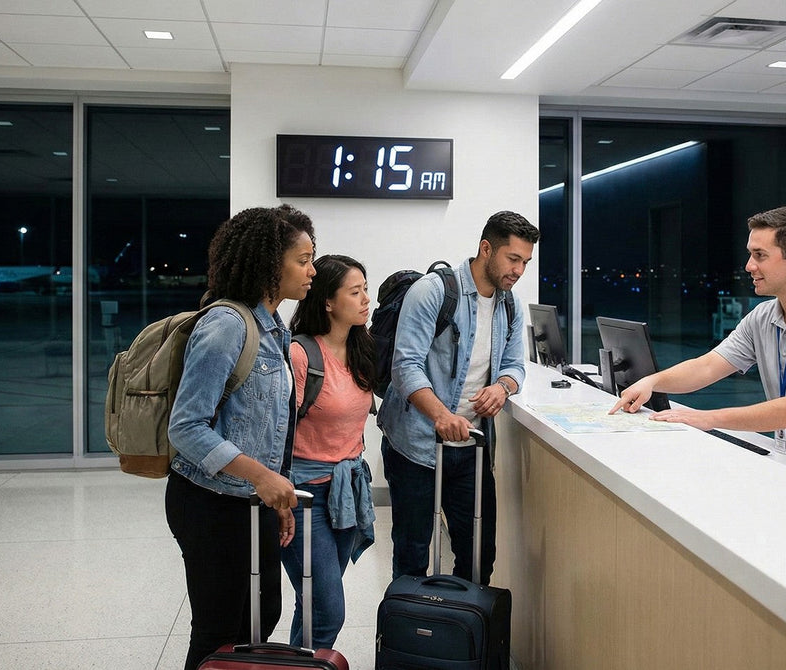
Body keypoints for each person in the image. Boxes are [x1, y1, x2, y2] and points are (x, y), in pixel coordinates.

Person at [165, 205, 315, 670]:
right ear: (271, 264)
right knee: (218, 632)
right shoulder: (227, 325)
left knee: (261, 616)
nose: (312, 271)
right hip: (209, 501)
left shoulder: (274, 327)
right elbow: (185, 427)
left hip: (252, 501)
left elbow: (270, 428)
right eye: (303, 260)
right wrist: (261, 477)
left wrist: (277, 493)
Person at [610, 205, 786, 458]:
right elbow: (708, 366)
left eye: (760, 255)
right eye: (750, 254)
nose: (749, 265)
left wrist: (708, 418)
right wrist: (652, 382)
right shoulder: (762, 317)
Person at [378, 210, 539, 584]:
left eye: (525, 262)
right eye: (513, 259)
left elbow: (516, 365)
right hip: (416, 446)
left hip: (472, 449)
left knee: (479, 557)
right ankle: (411, 638)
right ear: (487, 249)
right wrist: (440, 415)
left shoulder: (509, 304)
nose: (519, 270)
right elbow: (406, 367)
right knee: (412, 556)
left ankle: (458, 635)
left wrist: (502, 387)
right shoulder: (433, 292)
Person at [282, 254, 377, 649]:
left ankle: (295, 661)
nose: (364, 299)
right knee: (328, 609)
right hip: (303, 496)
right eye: (354, 292)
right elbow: (278, 432)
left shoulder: (361, 348)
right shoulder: (301, 354)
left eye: (365, 289)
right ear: (327, 301)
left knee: (314, 602)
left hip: (346, 491)